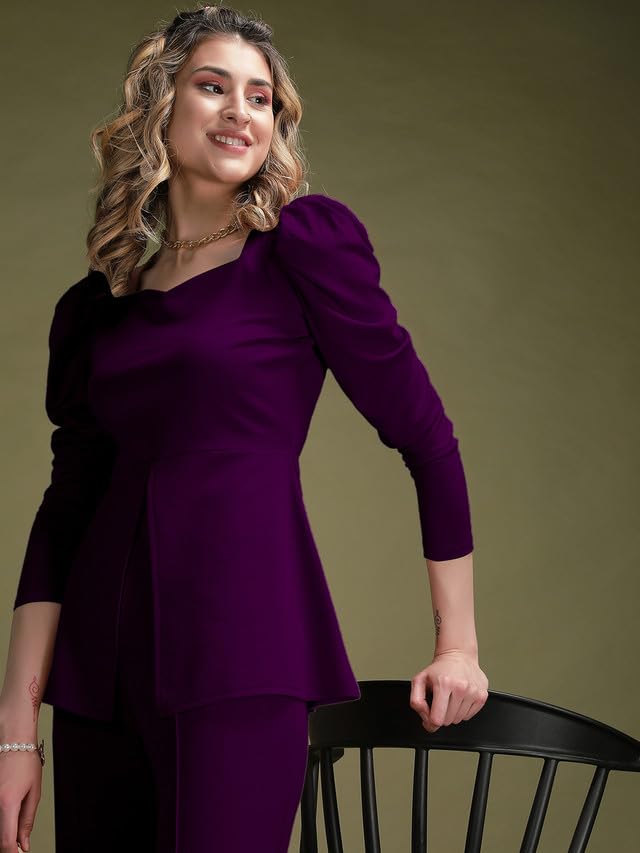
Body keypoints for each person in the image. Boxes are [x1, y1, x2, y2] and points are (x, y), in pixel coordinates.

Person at [0, 4, 489, 851]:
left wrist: (459, 645)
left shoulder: (302, 248)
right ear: (160, 106)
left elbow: (426, 438)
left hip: (242, 647)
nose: (241, 112)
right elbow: (65, 510)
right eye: (213, 87)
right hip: (99, 671)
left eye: (260, 97)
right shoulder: (94, 308)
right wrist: (16, 728)